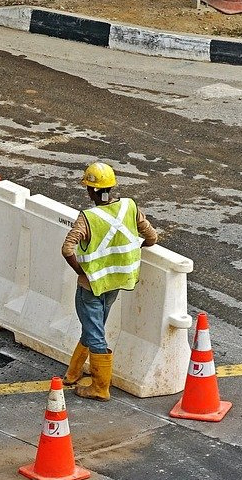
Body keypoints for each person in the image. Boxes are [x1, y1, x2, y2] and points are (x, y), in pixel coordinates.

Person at [61, 161, 158, 401]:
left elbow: (67, 249)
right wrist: (134, 249)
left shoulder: (88, 218)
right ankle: (73, 373)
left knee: (95, 333)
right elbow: (152, 237)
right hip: (117, 281)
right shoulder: (129, 207)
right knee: (94, 326)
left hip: (91, 285)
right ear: (112, 187)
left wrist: (81, 272)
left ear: (90, 190)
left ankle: (100, 387)